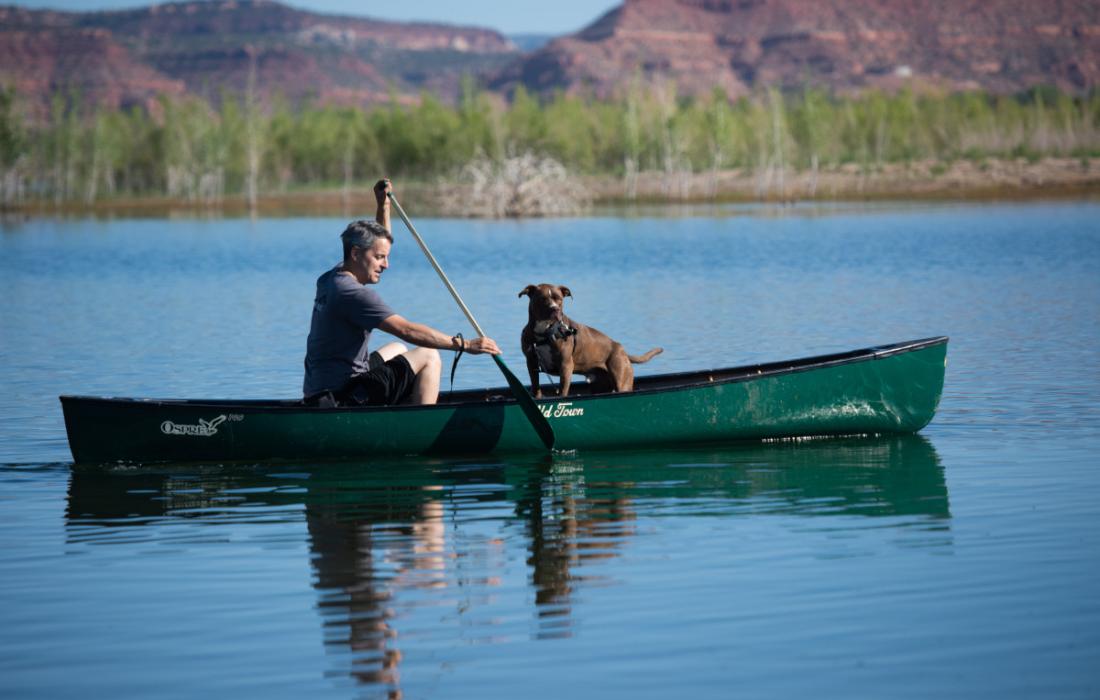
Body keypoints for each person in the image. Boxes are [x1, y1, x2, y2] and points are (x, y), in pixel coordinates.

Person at [303, 179, 500, 406]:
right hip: (340, 398)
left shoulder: (331, 278)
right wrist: (464, 345)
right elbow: (406, 330)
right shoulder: (354, 295)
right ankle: (422, 426)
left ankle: (407, 402)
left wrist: (383, 206)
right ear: (356, 254)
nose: (386, 264)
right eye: (379, 258)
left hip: (318, 391)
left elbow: (378, 241)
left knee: (397, 350)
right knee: (428, 355)